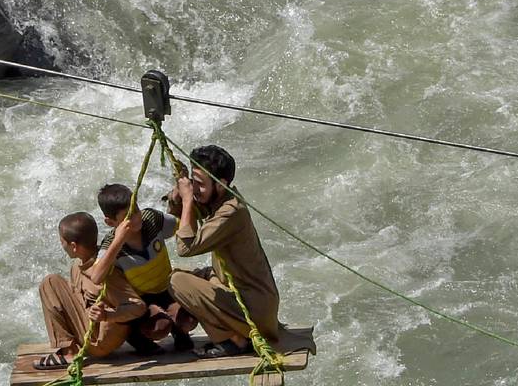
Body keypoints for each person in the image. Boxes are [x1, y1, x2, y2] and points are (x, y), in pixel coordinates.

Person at [167, 145, 316, 358]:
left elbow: (186, 246)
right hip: (247, 296)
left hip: (255, 309)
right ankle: (222, 330)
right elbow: (186, 218)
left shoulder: (231, 212)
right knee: (195, 275)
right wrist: (178, 198)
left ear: (221, 184)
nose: (195, 188)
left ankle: (232, 340)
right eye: (193, 181)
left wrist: (189, 199)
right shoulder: (219, 199)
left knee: (178, 282)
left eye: (200, 184)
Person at [90, 184, 196, 354]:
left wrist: (186, 199)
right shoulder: (111, 244)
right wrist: (119, 241)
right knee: (160, 327)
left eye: (136, 210)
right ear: (111, 222)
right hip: (141, 301)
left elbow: (181, 225)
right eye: (128, 216)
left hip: (166, 288)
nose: (137, 218)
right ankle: (137, 337)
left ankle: (180, 332)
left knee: (189, 319)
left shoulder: (151, 219)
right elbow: (96, 277)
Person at [34, 212, 147, 370]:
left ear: (74, 246)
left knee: (50, 283)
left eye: (62, 242)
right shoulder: (79, 265)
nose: (62, 246)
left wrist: (108, 315)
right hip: (91, 329)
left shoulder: (105, 272)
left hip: (99, 341)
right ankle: (69, 345)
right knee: (58, 283)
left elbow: (138, 306)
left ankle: (69, 352)